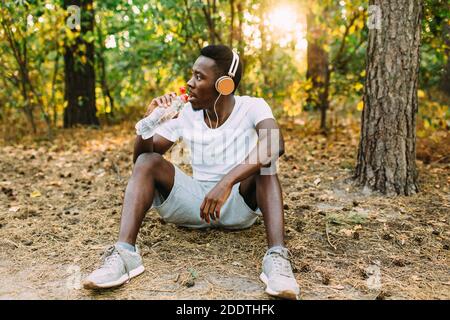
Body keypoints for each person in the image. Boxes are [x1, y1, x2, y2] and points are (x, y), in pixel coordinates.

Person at [82, 44, 300, 300]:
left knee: (267, 166)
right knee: (149, 162)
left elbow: (275, 143)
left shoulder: (253, 106)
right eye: (192, 75)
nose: (189, 83)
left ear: (224, 85)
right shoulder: (185, 112)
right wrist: (149, 122)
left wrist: (227, 182)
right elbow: (141, 160)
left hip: (238, 204)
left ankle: (277, 259)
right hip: (196, 204)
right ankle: (125, 255)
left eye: (199, 76)